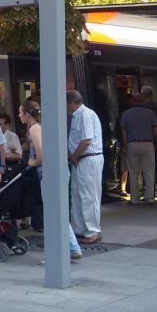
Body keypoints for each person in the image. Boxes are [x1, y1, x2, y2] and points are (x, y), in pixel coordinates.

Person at [20, 100, 82, 260]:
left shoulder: (34, 128)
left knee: (52, 212)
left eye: (21, 112)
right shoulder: (39, 127)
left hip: (47, 173)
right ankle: (72, 247)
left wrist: (30, 163)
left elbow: (41, 155)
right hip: (56, 172)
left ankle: (59, 251)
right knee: (57, 211)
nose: (19, 115)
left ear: (27, 114)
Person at [66, 90, 104, 244]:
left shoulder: (84, 115)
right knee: (77, 195)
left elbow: (86, 140)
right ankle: (80, 228)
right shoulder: (77, 116)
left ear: (71, 102)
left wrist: (74, 156)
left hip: (87, 159)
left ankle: (93, 230)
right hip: (80, 160)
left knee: (89, 195)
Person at [120, 92, 157, 205]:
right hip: (148, 144)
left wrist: (125, 146)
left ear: (133, 101)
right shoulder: (151, 113)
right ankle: (150, 198)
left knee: (133, 173)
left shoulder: (126, 114)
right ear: (143, 101)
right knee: (149, 172)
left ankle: (134, 199)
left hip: (132, 144)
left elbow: (124, 132)